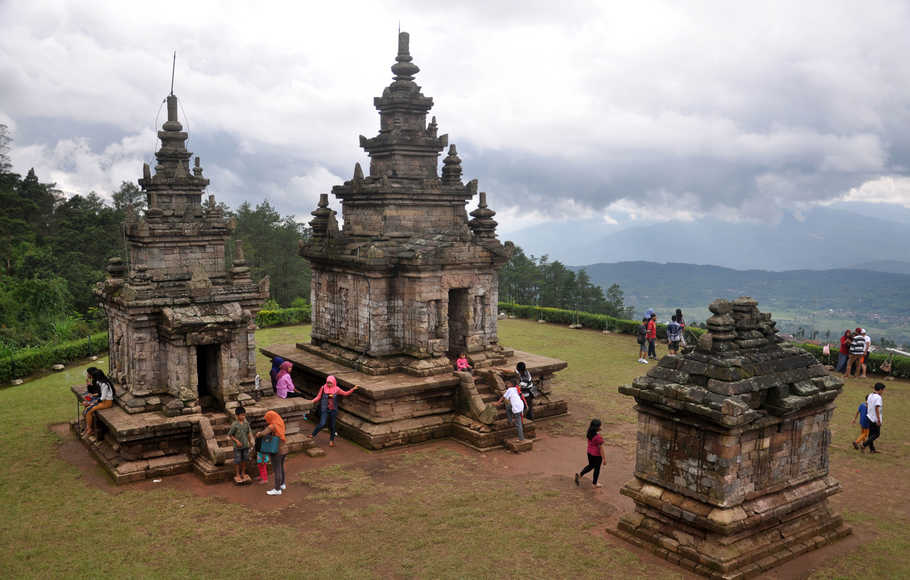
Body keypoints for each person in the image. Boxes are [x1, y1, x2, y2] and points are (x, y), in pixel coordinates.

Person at [311, 376, 358, 447]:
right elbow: (318, 397)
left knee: (332, 426)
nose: (329, 384)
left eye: (330, 383)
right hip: (325, 409)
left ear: (334, 382)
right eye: (328, 383)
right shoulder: (323, 388)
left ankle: (331, 440)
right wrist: (311, 401)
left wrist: (353, 389)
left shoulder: (337, 389)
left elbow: (345, 393)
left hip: (333, 410)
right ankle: (312, 434)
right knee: (322, 423)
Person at [257, 410, 288, 495]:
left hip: (277, 450)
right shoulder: (280, 421)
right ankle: (282, 484)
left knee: (277, 469)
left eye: (267, 419)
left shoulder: (272, 426)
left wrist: (258, 434)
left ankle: (277, 489)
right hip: (284, 448)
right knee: (281, 467)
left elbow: (263, 434)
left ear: (270, 417)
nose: (267, 420)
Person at [82, 367, 114, 438]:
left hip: (107, 403)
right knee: (87, 408)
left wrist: (92, 403)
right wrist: (92, 399)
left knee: (89, 410)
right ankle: (88, 428)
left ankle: (89, 430)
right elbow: (99, 394)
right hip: (103, 401)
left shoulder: (104, 384)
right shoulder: (100, 383)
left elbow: (102, 398)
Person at [575, 419, 605, 488]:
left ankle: (580, 475)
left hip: (589, 453)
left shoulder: (589, 433)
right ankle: (594, 484)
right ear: (597, 427)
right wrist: (604, 459)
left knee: (591, 465)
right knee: (597, 468)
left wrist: (598, 431)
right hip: (596, 455)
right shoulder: (598, 438)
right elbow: (601, 448)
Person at [228, 406, 254, 484]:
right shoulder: (234, 424)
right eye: (241, 415)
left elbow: (248, 433)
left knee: (245, 459)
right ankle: (237, 474)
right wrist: (237, 441)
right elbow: (230, 435)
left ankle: (243, 473)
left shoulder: (246, 423)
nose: (243, 417)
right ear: (237, 415)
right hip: (237, 447)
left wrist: (250, 442)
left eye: (244, 415)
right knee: (237, 460)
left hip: (245, 445)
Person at [861, 383, 885, 454]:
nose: (883, 392)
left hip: (869, 417)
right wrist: (878, 419)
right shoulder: (878, 397)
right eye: (883, 390)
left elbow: (868, 405)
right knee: (877, 434)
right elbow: (877, 408)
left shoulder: (870, 395)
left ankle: (872, 449)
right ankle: (864, 444)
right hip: (875, 419)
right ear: (880, 390)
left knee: (871, 434)